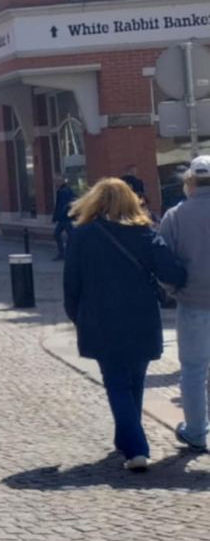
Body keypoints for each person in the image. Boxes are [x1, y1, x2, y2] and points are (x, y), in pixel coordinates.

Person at [62, 178, 186, 471]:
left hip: (100, 319)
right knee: (134, 381)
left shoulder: (83, 235)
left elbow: (71, 283)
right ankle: (127, 440)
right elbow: (173, 273)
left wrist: (77, 316)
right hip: (142, 318)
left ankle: (135, 448)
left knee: (117, 383)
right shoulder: (145, 233)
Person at [160, 156, 210, 452]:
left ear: (190, 181)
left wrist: (173, 290)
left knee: (193, 370)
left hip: (192, 303)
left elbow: (163, 261)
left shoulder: (175, 215)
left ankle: (196, 431)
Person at [53, 178, 77, 260]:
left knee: (67, 234)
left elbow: (62, 205)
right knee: (68, 234)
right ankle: (65, 252)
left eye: (56, 181)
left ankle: (66, 253)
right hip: (65, 217)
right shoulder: (66, 190)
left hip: (64, 217)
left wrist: (59, 215)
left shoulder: (63, 191)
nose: (55, 183)